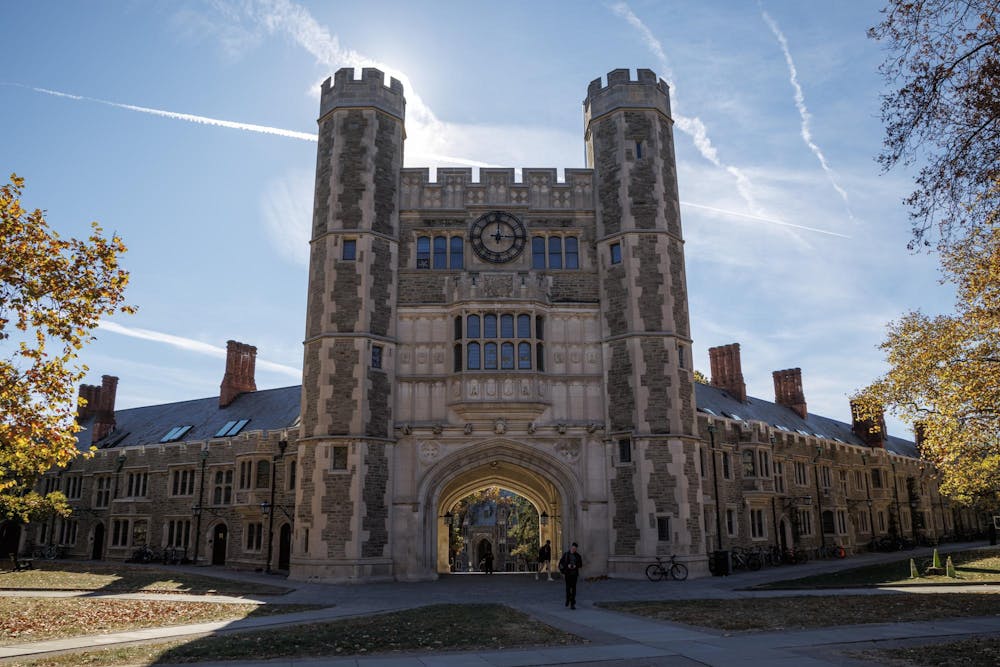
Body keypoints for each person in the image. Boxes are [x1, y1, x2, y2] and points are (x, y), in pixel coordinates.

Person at [558, 542, 582, 609]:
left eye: (575, 549)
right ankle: (568, 599)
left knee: (573, 589)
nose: (574, 550)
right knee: (568, 588)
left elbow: (580, 564)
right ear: (571, 547)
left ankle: (572, 603)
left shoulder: (578, 556)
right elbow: (561, 563)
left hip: (574, 574)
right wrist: (567, 565)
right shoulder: (566, 554)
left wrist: (575, 566)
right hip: (568, 574)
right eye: (573, 548)